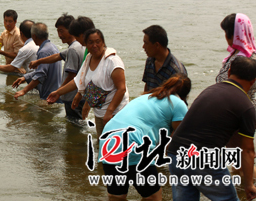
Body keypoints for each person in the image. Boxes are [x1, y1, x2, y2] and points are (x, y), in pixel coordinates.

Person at [168, 57, 256, 201]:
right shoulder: (246, 107)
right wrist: (249, 185)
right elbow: (247, 150)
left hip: (176, 152)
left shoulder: (209, 90)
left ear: (228, 72)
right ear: (253, 81)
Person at [100, 74, 191, 201]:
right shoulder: (179, 104)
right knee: (153, 197)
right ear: (185, 94)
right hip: (132, 141)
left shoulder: (146, 96)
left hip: (108, 140)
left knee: (117, 196)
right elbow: (177, 140)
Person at [50, 29, 129, 136]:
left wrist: (109, 112)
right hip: (100, 112)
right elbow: (77, 81)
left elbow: (122, 89)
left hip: (115, 113)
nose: (95, 45)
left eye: (98, 41)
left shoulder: (112, 61)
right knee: (102, 144)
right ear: (86, 45)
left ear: (103, 43)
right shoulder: (89, 58)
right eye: (90, 42)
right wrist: (58, 92)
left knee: (115, 146)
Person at [31, 14, 85, 126]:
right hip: (79, 96)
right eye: (57, 31)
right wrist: (39, 61)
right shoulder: (78, 46)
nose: (59, 35)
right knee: (77, 125)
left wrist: (58, 92)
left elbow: (71, 75)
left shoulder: (73, 50)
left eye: (62, 31)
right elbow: (58, 56)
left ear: (71, 30)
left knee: (74, 128)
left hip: (72, 97)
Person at [12, 23, 62, 101]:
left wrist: (24, 90)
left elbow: (40, 75)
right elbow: (42, 71)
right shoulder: (52, 47)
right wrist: (25, 77)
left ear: (34, 36)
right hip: (56, 92)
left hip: (49, 95)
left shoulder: (43, 51)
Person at [216, 13, 256, 104]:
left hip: (239, 109)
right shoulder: (237, 54)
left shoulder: (245, 61)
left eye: (226, 33)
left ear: (235, 35)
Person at [141, 25, 187, 92]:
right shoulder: (150, 61)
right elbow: (147, 86)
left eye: (146, 43)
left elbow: (177, 99)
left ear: (157, 45)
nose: (143, 46)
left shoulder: (176, 71)